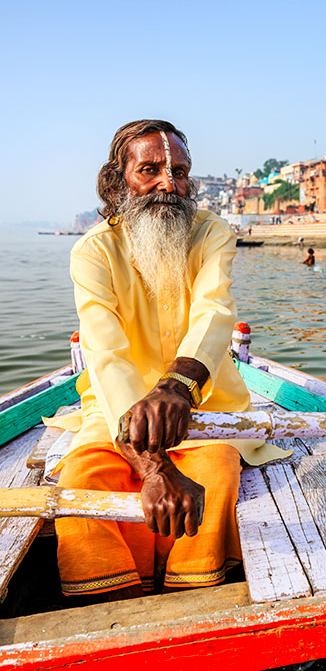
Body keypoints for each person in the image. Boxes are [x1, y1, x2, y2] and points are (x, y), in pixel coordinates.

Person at [55, 120, 286, 602]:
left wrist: (178, 386)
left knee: (217, 471)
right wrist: (156, 467)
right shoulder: (92, 252)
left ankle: (193, 597)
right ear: (118, 183)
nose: (168, 183)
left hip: (204, 406)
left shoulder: (211, 234)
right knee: (82, 483)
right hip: (111, 410)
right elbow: (104, 353)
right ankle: (112, 604)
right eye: (151, 170)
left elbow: (215, 312)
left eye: (179, 171)